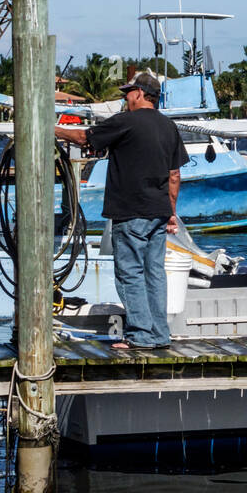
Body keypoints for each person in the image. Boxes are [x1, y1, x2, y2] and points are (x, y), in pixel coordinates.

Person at [55, 72, 187, 349]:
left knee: (130, 273)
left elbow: (82, 137)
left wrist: (47, 129)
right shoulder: (169, 127)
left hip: (130, 211)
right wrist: (171, 212)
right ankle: (159, 335)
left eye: (128, 92)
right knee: (155, 273)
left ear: (139, 94)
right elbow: (174, 175)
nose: (125, 98)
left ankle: (140, 335)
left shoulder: (126, 121)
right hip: (158, 212)